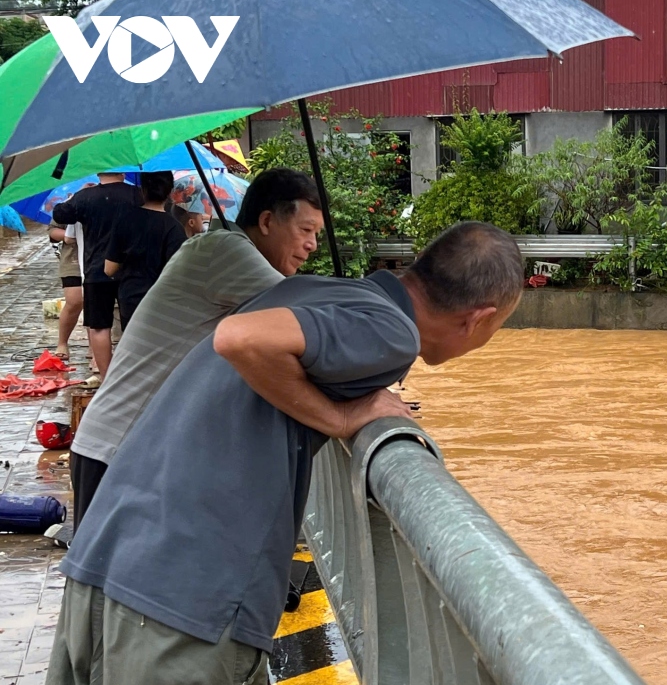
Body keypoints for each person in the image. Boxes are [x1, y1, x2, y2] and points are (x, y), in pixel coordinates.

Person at [47, 221, 524, 685]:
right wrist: (340, 419)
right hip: (181, 596)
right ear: (479, 317)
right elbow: (237, 337)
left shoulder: (325, 291)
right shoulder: (393, 332)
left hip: (107, 555)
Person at [68, 168, 325, 530]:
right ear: (267, 221)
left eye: (316, 234)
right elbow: (315, 318)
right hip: (117, 453)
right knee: (109, 587)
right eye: (306, 230)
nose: (313, 245)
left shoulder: (224, 252)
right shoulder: (226, 251)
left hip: (135, 453)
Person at [52, 172, 142, 379]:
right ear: (123, 172)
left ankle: (105, 377)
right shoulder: (137, 194)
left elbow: (60, 214)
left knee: (100, 326)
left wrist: (77, 195)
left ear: (99, 172)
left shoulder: (85, 197)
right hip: (132, 270)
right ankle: (133, 375)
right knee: (134, 324)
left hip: (96, 270)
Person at [104, 172, 187, 329]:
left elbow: (109, 269)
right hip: (161, 302)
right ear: (169, 192)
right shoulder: (174, 228)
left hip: (130, 298)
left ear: (143, 190)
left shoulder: (125, 220)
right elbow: (178, 274)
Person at [47, 221, 83, 359]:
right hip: (73, 261)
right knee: (75, 301)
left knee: (95, 303)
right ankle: (62, 343)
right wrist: (67, 236)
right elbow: (52, 230)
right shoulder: (68, 205)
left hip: (98, 257)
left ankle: (96, 349)